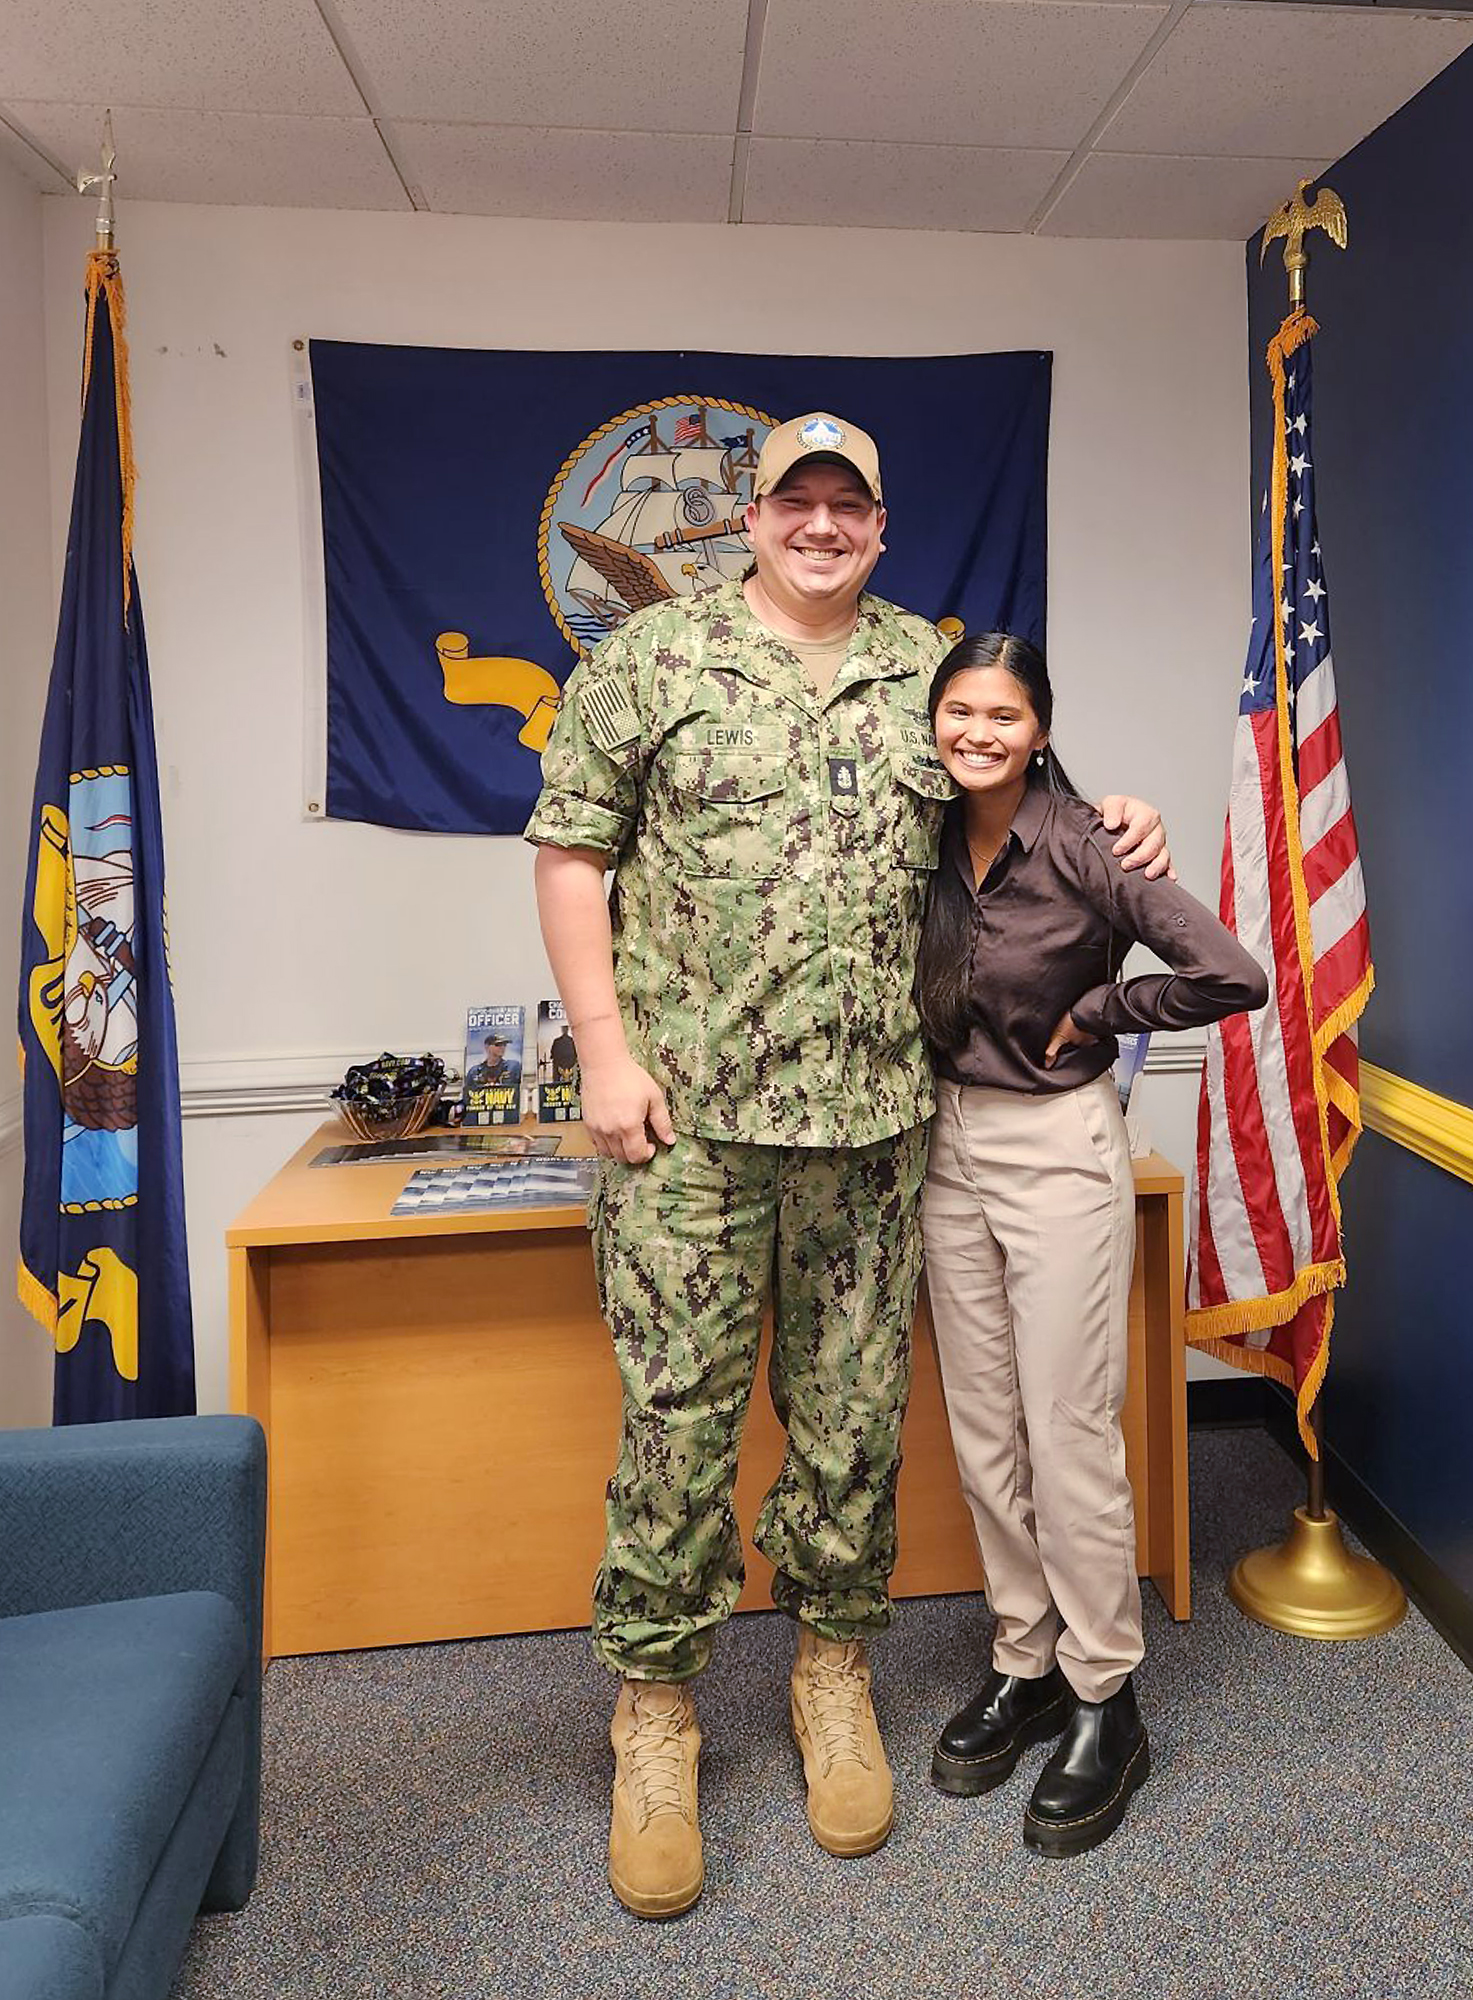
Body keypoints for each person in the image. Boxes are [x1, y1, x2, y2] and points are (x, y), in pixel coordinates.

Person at [526, 412, 1170, 1918]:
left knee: (848, 1428)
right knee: (676, 1425)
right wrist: (604, 1052)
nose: (819, 524)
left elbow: (1022, 807)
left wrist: (1118, 813)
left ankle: (831, 1677)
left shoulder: (922, 670)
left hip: (880, 1131)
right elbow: (570, 852)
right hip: (684, 1130)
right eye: (792, 502)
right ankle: (658, 1714)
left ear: (880, 528)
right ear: (746, 521)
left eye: (848, 506)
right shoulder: (649, 663)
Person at [916, 632, 1267, 1857]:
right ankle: (1028, 1658)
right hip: (947, 1147)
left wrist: (1101, 1007)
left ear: (1041, 725)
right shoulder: (925, 840)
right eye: (958, 710)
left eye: (1002, 714)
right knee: (985, 1421)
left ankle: (1107, 1691)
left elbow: (1231, 971)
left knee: (1069, 1427)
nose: (977, 732)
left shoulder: (1088, 840)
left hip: (1058, 1144)